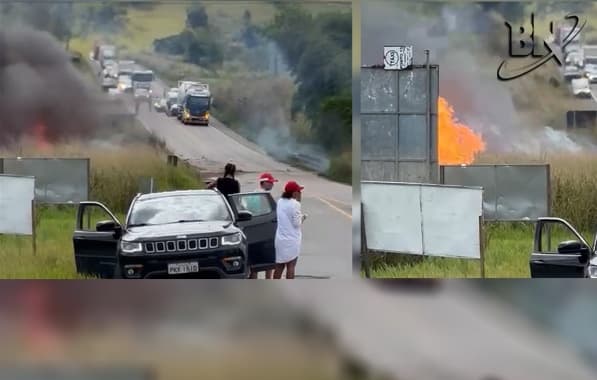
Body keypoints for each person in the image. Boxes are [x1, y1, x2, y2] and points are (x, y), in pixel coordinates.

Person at [248, 173, 278, 280]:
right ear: (264, 182)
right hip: (265, 231)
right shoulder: (266, 197)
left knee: (253, 261)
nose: (272, 184)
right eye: (270, 182)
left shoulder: (251, 195)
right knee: (268, 259)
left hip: (252, 231)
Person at [273, 180, 306, 280]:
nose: (300, 193)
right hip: (291, 240)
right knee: (291, 266)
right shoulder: (295, 204)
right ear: (294, 193)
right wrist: (303, 217)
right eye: (299, 191)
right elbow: (297, 223)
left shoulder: (280, 201)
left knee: (279, 266)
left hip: (280, 240)